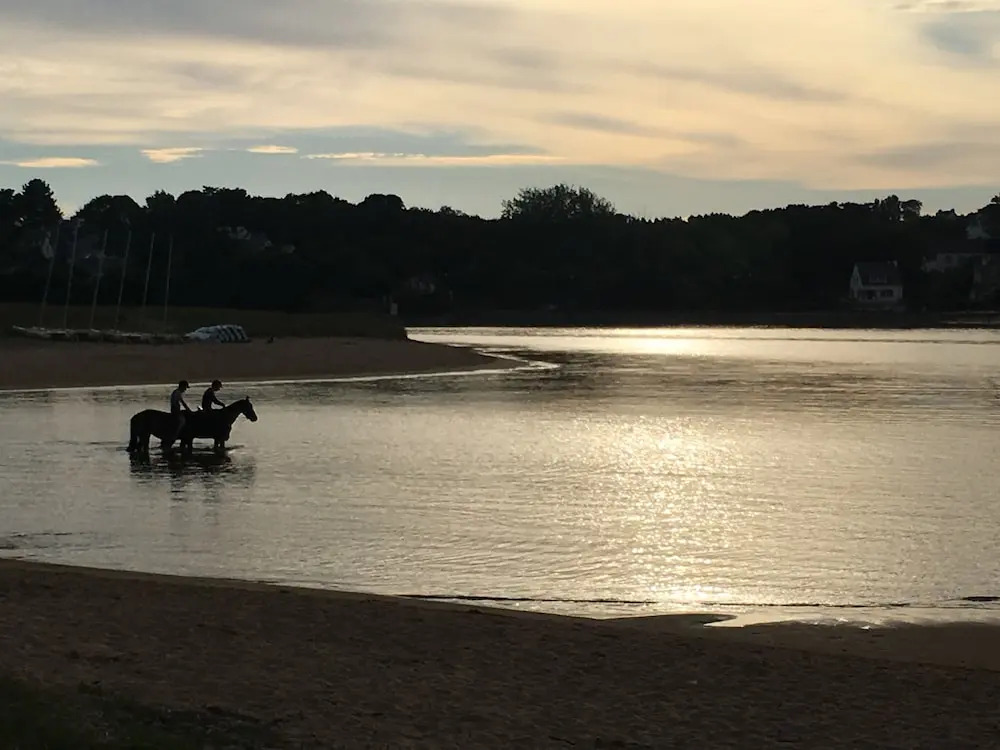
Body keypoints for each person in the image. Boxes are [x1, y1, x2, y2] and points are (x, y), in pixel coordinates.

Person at [166, 380, 192, 450]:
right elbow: (175, 403)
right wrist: (180, 410)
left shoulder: (178, 392)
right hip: (175, 410)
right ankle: (177, 432)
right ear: (182, 386)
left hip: (177, 409)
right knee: (182, 420)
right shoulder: (177, 393)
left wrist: (188, 409)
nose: (185, 389)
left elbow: (183, 403)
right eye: (185, 387)